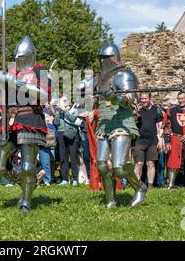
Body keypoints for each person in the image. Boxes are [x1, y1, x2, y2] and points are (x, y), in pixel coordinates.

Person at [0, 36, 50, 213]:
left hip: (30, 119)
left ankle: (26, 200)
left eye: (22, 57)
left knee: (27, 166)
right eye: (17, 57)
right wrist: (0, 82)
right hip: (10, 121)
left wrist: (16, 83)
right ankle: (29, 183)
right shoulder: (11, 73)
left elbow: (44, 95)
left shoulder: (40, 71)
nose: (19, 60)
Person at [94, 43, 148, 208]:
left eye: (105, 58)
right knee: (102, 164)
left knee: (118, 167)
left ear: (112, 58)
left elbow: (129, 100)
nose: (103, 62)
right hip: (104, 122)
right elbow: (83, 91)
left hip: (121, 122)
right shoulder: (99, 78)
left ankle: (140, 188)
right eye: (101, 59)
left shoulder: (124, 74)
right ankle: (111, 199)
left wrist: (114, 97)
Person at [133, 92, 163, 188]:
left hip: (153, 140)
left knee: (150, 163)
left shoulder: (156, 110)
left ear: (150, 99)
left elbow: (160, 126)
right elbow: (131, 124)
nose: (143, 100)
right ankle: (137, 185)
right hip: (139, 140)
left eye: (145, 98)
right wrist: (134, 115)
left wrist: (161, 139)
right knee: (139, 163)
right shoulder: (137, 110)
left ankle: (150, 185)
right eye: (142, 98)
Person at [53, 96, 81, 186]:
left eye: (65, 101)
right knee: (63, 157)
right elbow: (56, 123)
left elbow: (73, 119)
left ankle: (75, 179)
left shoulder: (74, 109)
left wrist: (64, 110)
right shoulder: (60, 111)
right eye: (62, 101)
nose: (63, 103)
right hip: (61, 134)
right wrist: (57, 113)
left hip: (72, 134)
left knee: (73, 157)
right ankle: (65, 179)